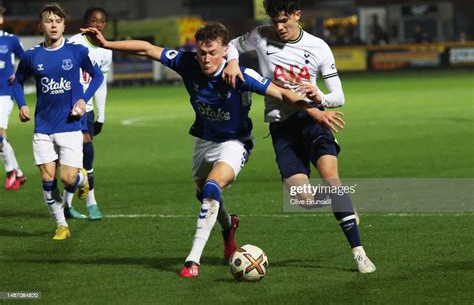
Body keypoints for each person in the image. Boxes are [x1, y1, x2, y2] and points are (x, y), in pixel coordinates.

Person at [82, 22, 344, 277]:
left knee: (211, 187)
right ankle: (229, 227)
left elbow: (283, 93)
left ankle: (192, 259)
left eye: (212, 53)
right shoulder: (187, 62)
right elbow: (147, 49)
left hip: (235, 143)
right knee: (204, 193)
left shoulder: (241, 75)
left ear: (224, 52)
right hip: (204, 140)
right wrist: (107, 43)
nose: (206, 59)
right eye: (202, 53)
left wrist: (315, 112)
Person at [223, 0, 376, 273]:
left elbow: (338, 96)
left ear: (297, 15)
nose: (279, 27)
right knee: (302, 199)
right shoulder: (260, 35)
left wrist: (320, 97)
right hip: (281, 127)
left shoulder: (318, 47)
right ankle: (340, 200)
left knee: (331, 178)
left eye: (284, 20)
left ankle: (359, 253)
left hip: (313, 120)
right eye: (274, 21)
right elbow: (231, 44)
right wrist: (233, 61)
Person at [10, 3, 104, 240]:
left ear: (64, 25)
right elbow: (17, 81)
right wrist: (21, 104)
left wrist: (83, 99)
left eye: (57, 21)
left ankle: (82, 179)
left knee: (68, 178)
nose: (53, 25)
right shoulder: (32, 56)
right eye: (48, 21)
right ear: (40, 26)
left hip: (70, 124)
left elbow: (98, 75)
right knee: (47, 178)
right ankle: (61, 225)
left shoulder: (76, 52)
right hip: (42, 127)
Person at [67, 7, 113, 220]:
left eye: (102, 21)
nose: (98, 24)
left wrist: (101, 115)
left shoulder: (106, 50)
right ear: (85, 22)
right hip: (70, 108)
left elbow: (100, 84)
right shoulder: (74, 43)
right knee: (77, 156)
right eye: (93, 20)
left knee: (85, 155)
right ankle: (78, 203)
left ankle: (89, 203)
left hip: (88, 111)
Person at [0, 6, 27, 190]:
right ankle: (18, 172)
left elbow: (26, 60)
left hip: (4, 93)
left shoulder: (10, 40)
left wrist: (17, 74)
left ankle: (11, 171)